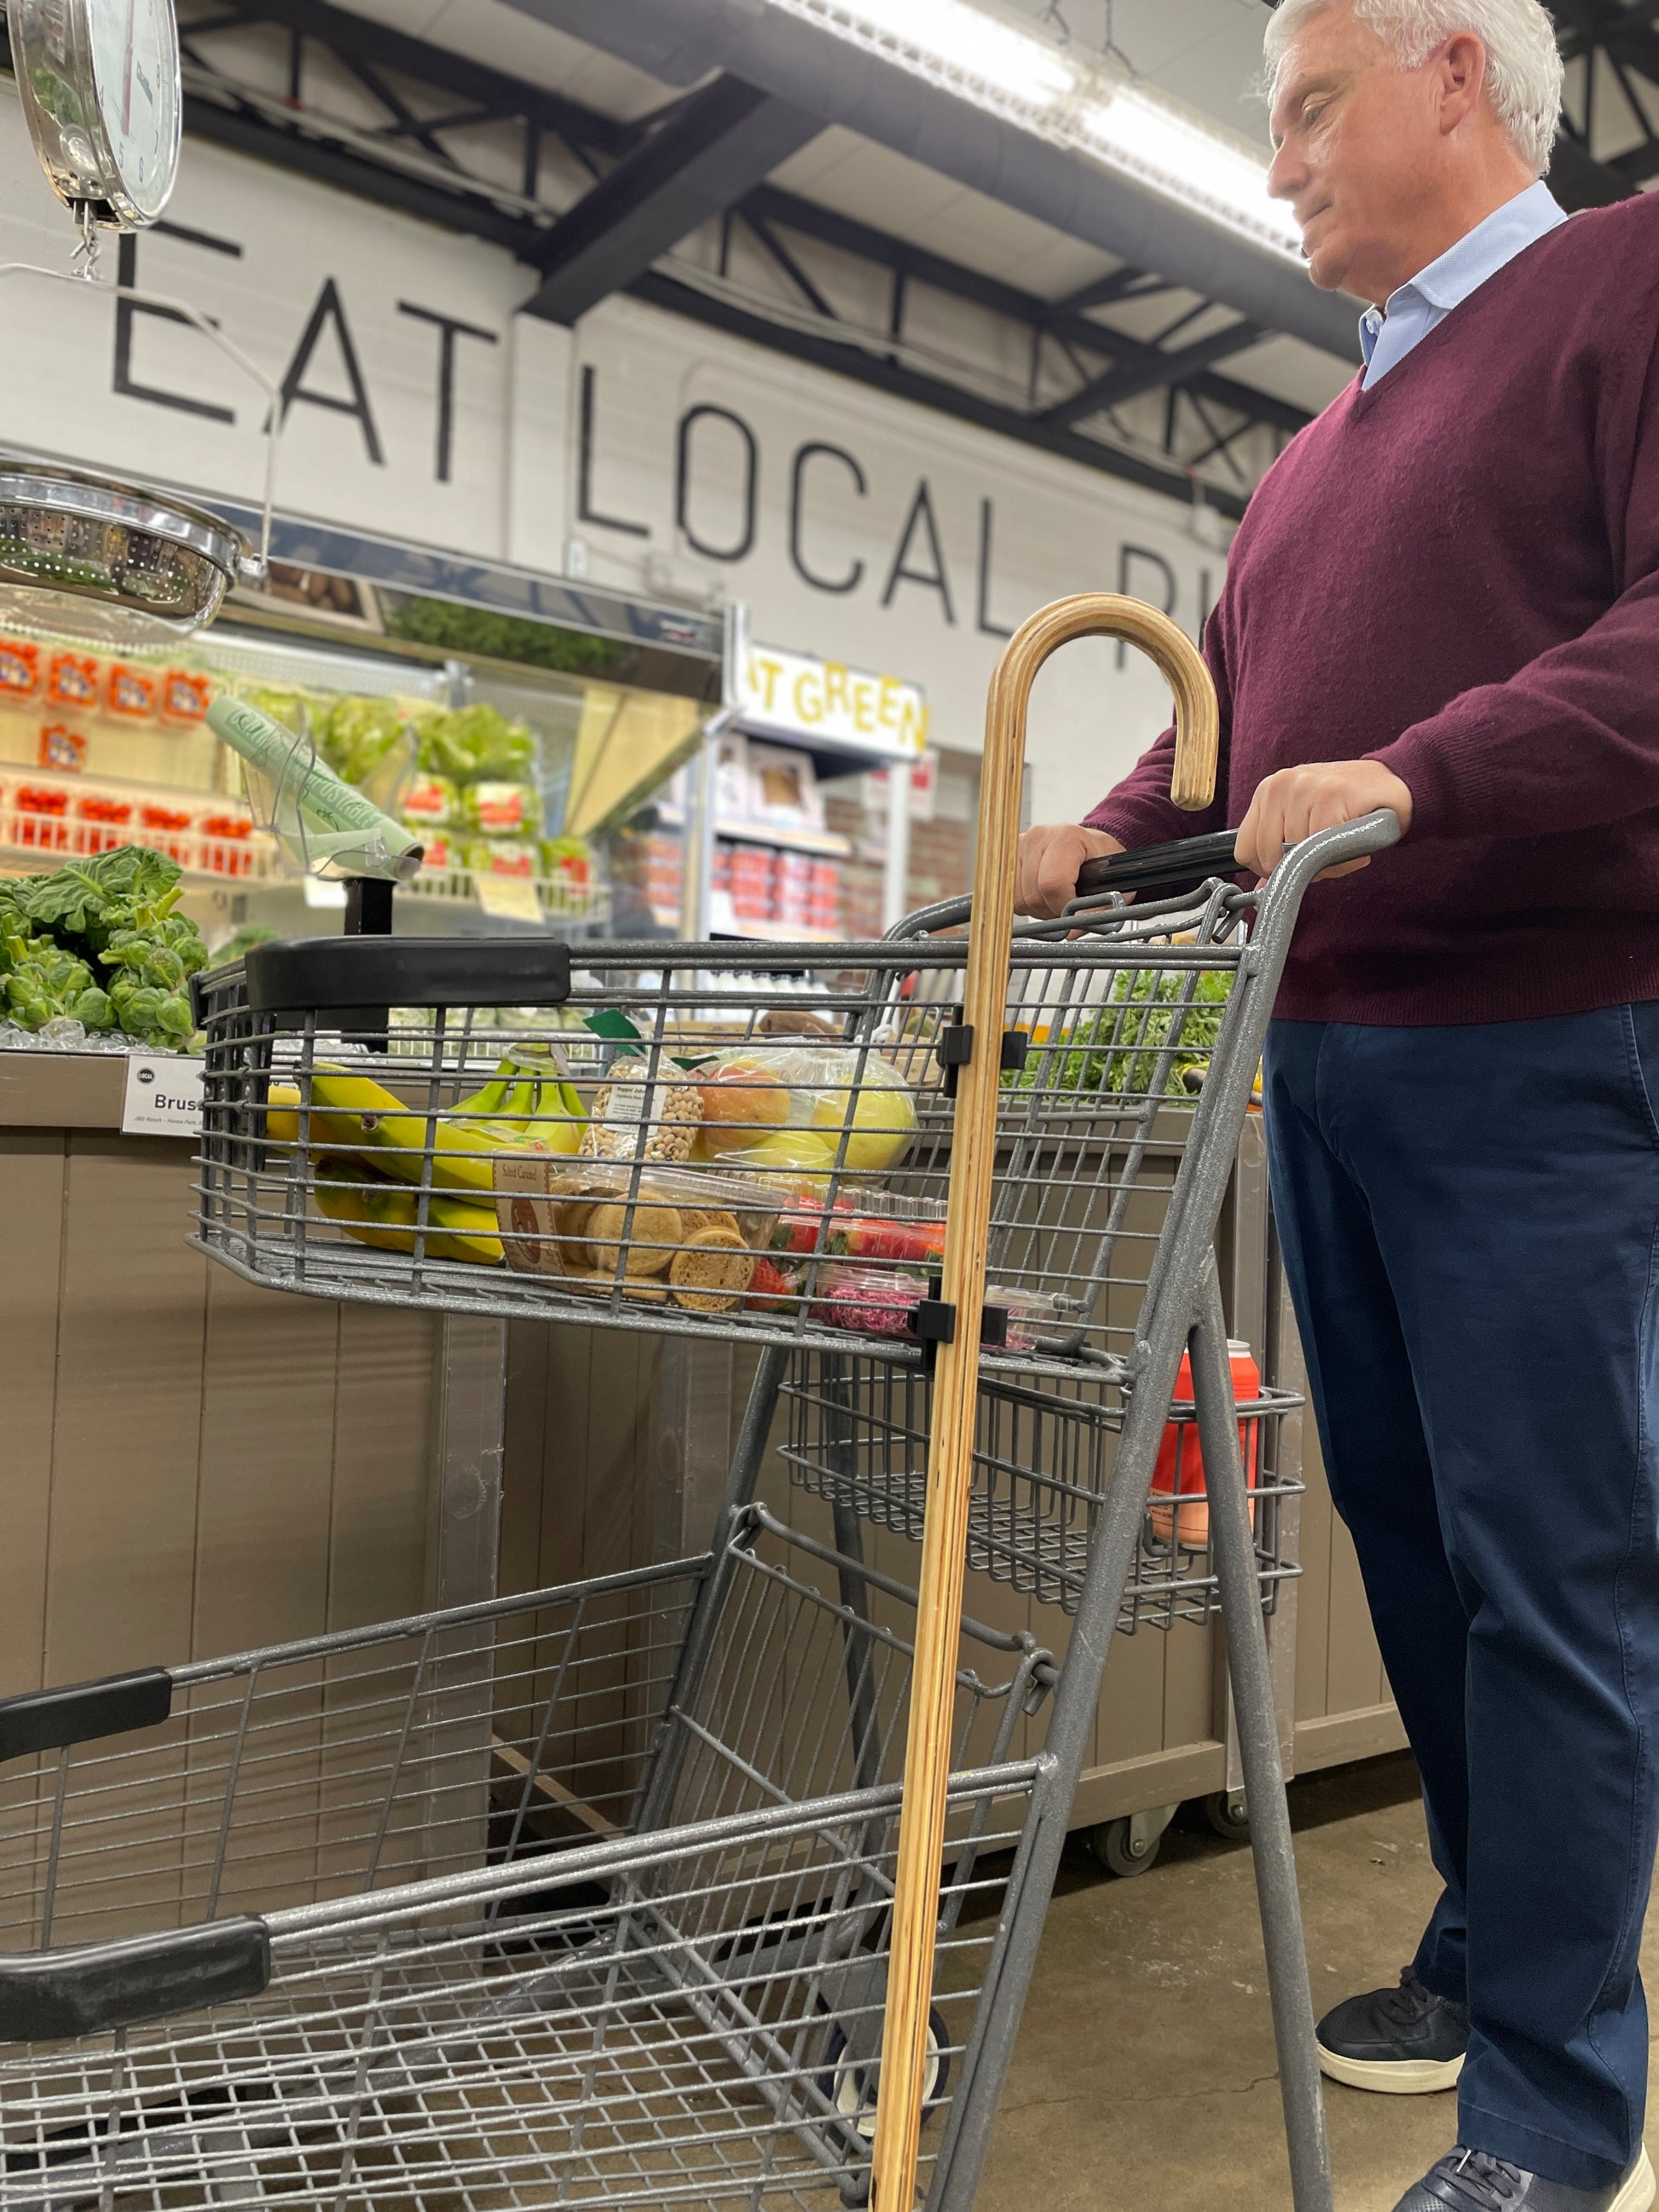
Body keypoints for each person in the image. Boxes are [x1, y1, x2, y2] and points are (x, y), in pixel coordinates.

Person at [1015, 0, 1659, 2206]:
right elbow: (1231, 732)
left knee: (1550, 1574)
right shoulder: (1306, 455)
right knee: (1404, 1546)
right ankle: (1490, 1949)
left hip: (1541, 1039)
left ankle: (1554, 2116)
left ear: (1454, 72)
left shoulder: (1627, 284)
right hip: (1325, 1047)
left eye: (1303, 105)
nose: (1274, 157)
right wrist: (1094, 828)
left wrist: (1426, 771)